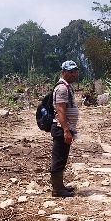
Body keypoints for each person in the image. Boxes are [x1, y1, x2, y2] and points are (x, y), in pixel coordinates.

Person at [49, 60, 80, 197]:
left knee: (62, 157)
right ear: (63, 72)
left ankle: (60, 186)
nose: (74, 74)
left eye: (75, 71)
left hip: (65, 128)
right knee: (59, 157)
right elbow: (61, 111)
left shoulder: (67, 87)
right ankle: (57, 189)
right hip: (61, 128)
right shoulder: (62, 88)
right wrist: (66, 130)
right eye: (70, 71)